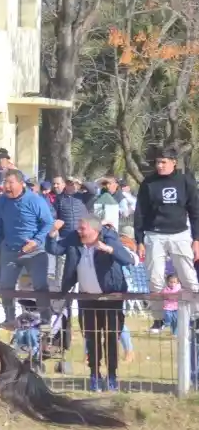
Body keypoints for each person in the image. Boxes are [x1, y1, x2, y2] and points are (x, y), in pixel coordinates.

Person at [52, 216, 134, 392]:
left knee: (111, 338)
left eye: (83, 228)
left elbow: (128, 259)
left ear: (95, 231)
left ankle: (112, 376)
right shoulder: (75, 241)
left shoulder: (109, 238)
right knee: (91, 339)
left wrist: (109, 249)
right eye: (79, 228)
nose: (78, 231)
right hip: (87, 299)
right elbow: (54, 249)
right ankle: (94, 375)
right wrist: (52, 233)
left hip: (110, 298)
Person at [134, 147, 199, 335]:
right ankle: (159, 318)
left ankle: (196, 315)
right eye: (157, 162)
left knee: (189, 277)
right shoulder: (149, 183)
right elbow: (140, 213)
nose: (160, 165)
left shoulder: (185, 181)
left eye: (164, 162)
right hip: (154, 234)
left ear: (173, 162)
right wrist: (139, 240)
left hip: (180, 234)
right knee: (154, 279)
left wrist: (196, 239)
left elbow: (195, 212)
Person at [0, 168, 55, 325]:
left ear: (21, 184)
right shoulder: (1, 201)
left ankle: (46, 320)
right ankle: (10, 319)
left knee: (40, 286)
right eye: (4, 182)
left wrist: (36, 241)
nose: (6, 186)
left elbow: (48, 223)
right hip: (9, 251)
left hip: (34, 252)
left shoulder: (35, 200)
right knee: (5, 286)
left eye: (10, 183)